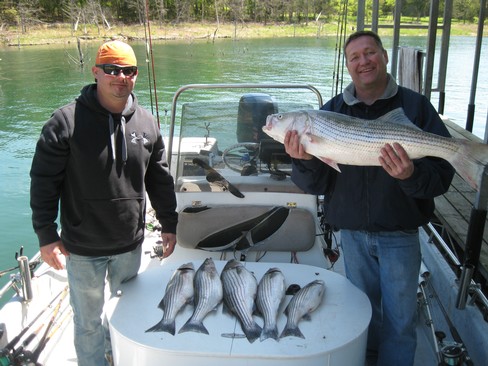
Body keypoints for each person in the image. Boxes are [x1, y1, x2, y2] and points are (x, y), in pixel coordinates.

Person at [284, 31, 455, 366]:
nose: (363, 62)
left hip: (400, 234)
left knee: (401, 322)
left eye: (370, 53)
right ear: (348, 66)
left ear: (384, 56)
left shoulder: (416, 107)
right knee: (362, 315)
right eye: (354, 57)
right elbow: (317, 184)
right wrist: (303, 160)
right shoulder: (331, 111)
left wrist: (411, 175)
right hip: (352, 235)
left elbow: (441, 179)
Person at [30, 40, 178, 366]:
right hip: (82, 249)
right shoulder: (64, 123)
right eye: (112, 69)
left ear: (136, 75)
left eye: (128, 70)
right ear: (96, 72)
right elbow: (44, 181)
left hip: (129, 244)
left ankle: (119, 355)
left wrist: (169, 223)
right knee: (87, 323)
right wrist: (46, 235)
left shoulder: (147, 123)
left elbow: (160, 178)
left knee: (125, 316)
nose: (120, 77)